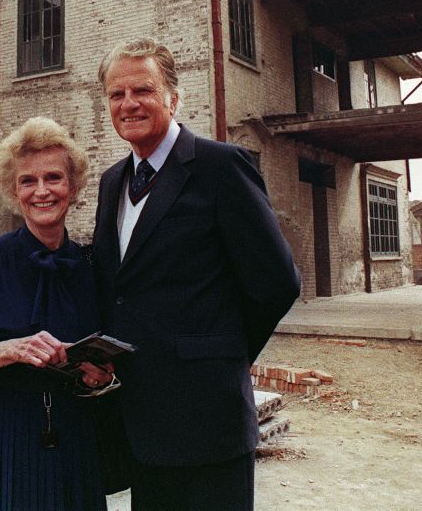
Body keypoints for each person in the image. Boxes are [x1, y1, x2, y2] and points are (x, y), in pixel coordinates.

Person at [92, 37, 301, 509]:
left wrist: (217, 353)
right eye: (116, 94)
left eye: (142, 90)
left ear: (172, 96)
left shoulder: (221, 167)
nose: (129, 104)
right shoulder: (112, 183)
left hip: (207, 414)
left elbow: (277, 282)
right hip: (138, 413)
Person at [0, 117, 113, 510]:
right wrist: (7, 350)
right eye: (28, 181)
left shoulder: (90, 267)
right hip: (1, 441)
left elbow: (105, 362)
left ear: (74, 186)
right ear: (14, 192)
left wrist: (101, 375)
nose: (42, 191)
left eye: (54, 178)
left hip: (73, 443)